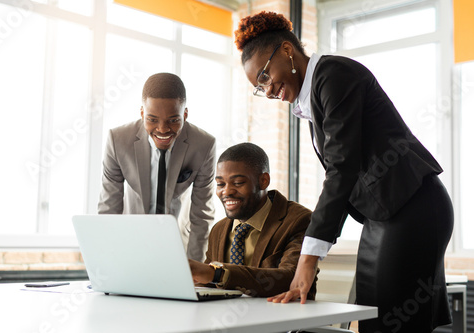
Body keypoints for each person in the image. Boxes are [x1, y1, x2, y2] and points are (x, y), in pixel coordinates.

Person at [234, 11, 454, 332]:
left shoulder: (334, 75)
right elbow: (344, 172)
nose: (267, 91)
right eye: (259, 87)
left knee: (390, 322)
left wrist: (308, 258)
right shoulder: (315, 95)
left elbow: (341, 168)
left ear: (285, 50)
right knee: (373, 318)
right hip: (386, 214)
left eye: (264, 77)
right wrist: (312, 255)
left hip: (413, 206)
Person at [98, 72, 216, 262]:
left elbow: (201, 215)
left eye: (173, 120)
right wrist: (105, 262)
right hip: (130, 244)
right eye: (152, 119)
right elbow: (109, 209)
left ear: (185, 114)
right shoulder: (118, 140)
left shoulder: (203, 145)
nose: (162, 129)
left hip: (178, 247)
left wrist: (194, 267)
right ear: (142, 113)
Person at [189, 142, 317, 298]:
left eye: (238, 183)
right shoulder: (219, 229)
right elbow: (209, 285)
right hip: (227, 318)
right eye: (220, 184)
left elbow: (292, 279)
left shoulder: (299, 220)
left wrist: (218, 274)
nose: (227, 191)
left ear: (263, 180)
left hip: (278, 317)